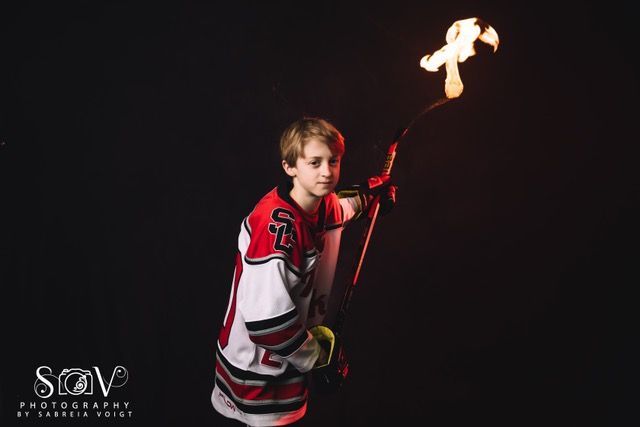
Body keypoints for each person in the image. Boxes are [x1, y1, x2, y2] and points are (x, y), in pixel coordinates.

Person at [211, 117, 395, 426]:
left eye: (332, 161)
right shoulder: (277, 230)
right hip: (257, 370)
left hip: (286, 364)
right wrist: (316, 357)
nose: (326, 171)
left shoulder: (321, 205)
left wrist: (373, 197)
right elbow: (266, 323)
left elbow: (345, 208)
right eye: (314, 162)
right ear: (290, 167)